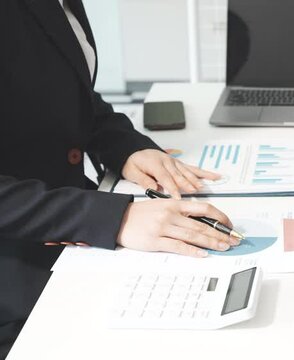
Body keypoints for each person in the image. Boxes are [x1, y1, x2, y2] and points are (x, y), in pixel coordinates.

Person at [0, 0, 239, 357]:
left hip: (63, 230)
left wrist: (126, 148)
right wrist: (116, 217)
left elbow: (69, 94)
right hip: (16, 275)